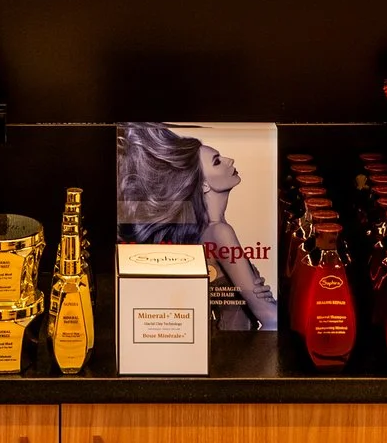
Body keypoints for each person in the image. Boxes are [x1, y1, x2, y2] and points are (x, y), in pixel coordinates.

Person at [118, 123, 281, 330]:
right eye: (217, 161)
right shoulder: (219, 232)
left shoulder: (206, 231)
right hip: (234, 351)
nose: (229, 160)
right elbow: (271, 318)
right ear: (203, 184)